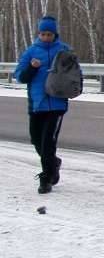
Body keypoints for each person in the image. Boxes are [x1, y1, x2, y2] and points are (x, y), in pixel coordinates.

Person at [14, 15, 71, 194]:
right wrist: (32, 68)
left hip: (56, 104)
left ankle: (47, 178)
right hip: (36, 104)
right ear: (39, 34)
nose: (46, 37)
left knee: (48, 142)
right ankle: (54, 163)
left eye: (49, 34)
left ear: (55, 34)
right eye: (43, 34)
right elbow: (20, 76)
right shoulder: (31, 52)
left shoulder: (64, 51)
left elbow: (75, 74)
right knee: (36, 139)